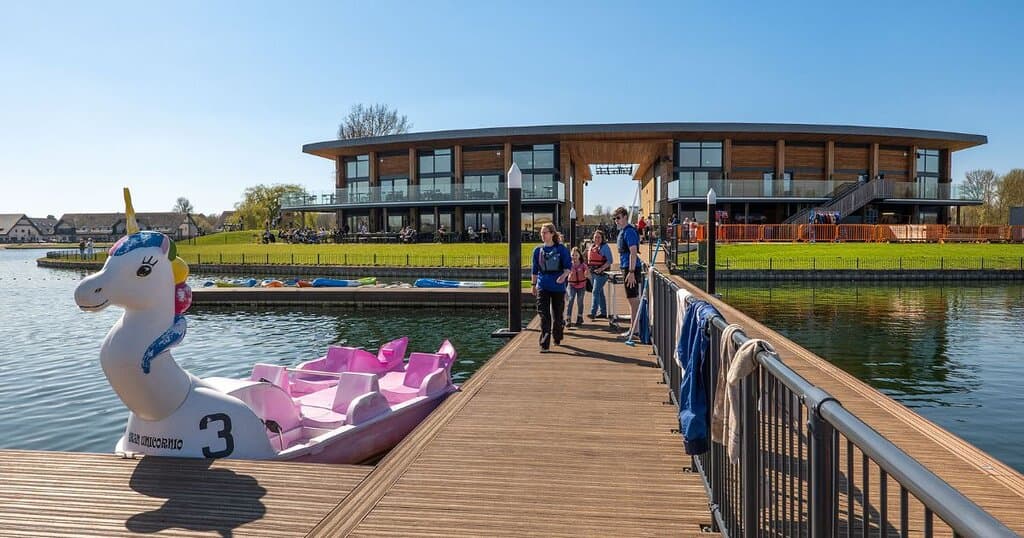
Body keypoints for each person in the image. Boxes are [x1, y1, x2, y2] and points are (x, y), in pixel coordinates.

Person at [530, 223, 571, 353]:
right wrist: (533, 285)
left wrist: (563, 277)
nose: (542, 235)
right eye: (541, 233)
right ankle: (544, 344)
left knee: (558, 316)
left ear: (552, 233)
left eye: (545, 232)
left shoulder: (561, 249)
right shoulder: (537, 251)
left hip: (558, 287)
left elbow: (568, 268)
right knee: (544, 315)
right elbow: (534, 270)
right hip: (543, 286)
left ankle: (557, 336)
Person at [613, 206, 643, 338]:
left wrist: (631, 272)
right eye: (615, 219)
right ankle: (634, 329)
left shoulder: (629, 231)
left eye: (618, 218)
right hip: (626, 267)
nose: (616, 220)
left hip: (631, 268)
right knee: (631, 299)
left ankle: (635, 330)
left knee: (633, 300)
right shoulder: (623, 231)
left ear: (625, 217)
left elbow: (633, 252)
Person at [586, 229, 613, 319]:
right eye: (595, 237)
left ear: (602, 238)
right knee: (600, 292)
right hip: (592, 273)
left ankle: (593, 312)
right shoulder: (591, 247)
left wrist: (601, 268)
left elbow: (610, 260)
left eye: (599, 237)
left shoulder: (605, 247)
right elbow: (587, 260)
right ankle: (603, 312)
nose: (597, 239)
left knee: (595, 291)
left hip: (602, 273)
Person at [564, 247, 588, 328]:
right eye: (573, 255)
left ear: (579, 256)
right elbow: (565, 273)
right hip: (571, 285)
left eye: (576, 255)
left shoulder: (583, 265)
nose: (574, 257)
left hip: (582, 286)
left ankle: (579, 317)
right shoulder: (569, 265)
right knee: (570, 300)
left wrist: (586, 273)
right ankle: (568, 318)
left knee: (580, 301)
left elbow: (587, 272)